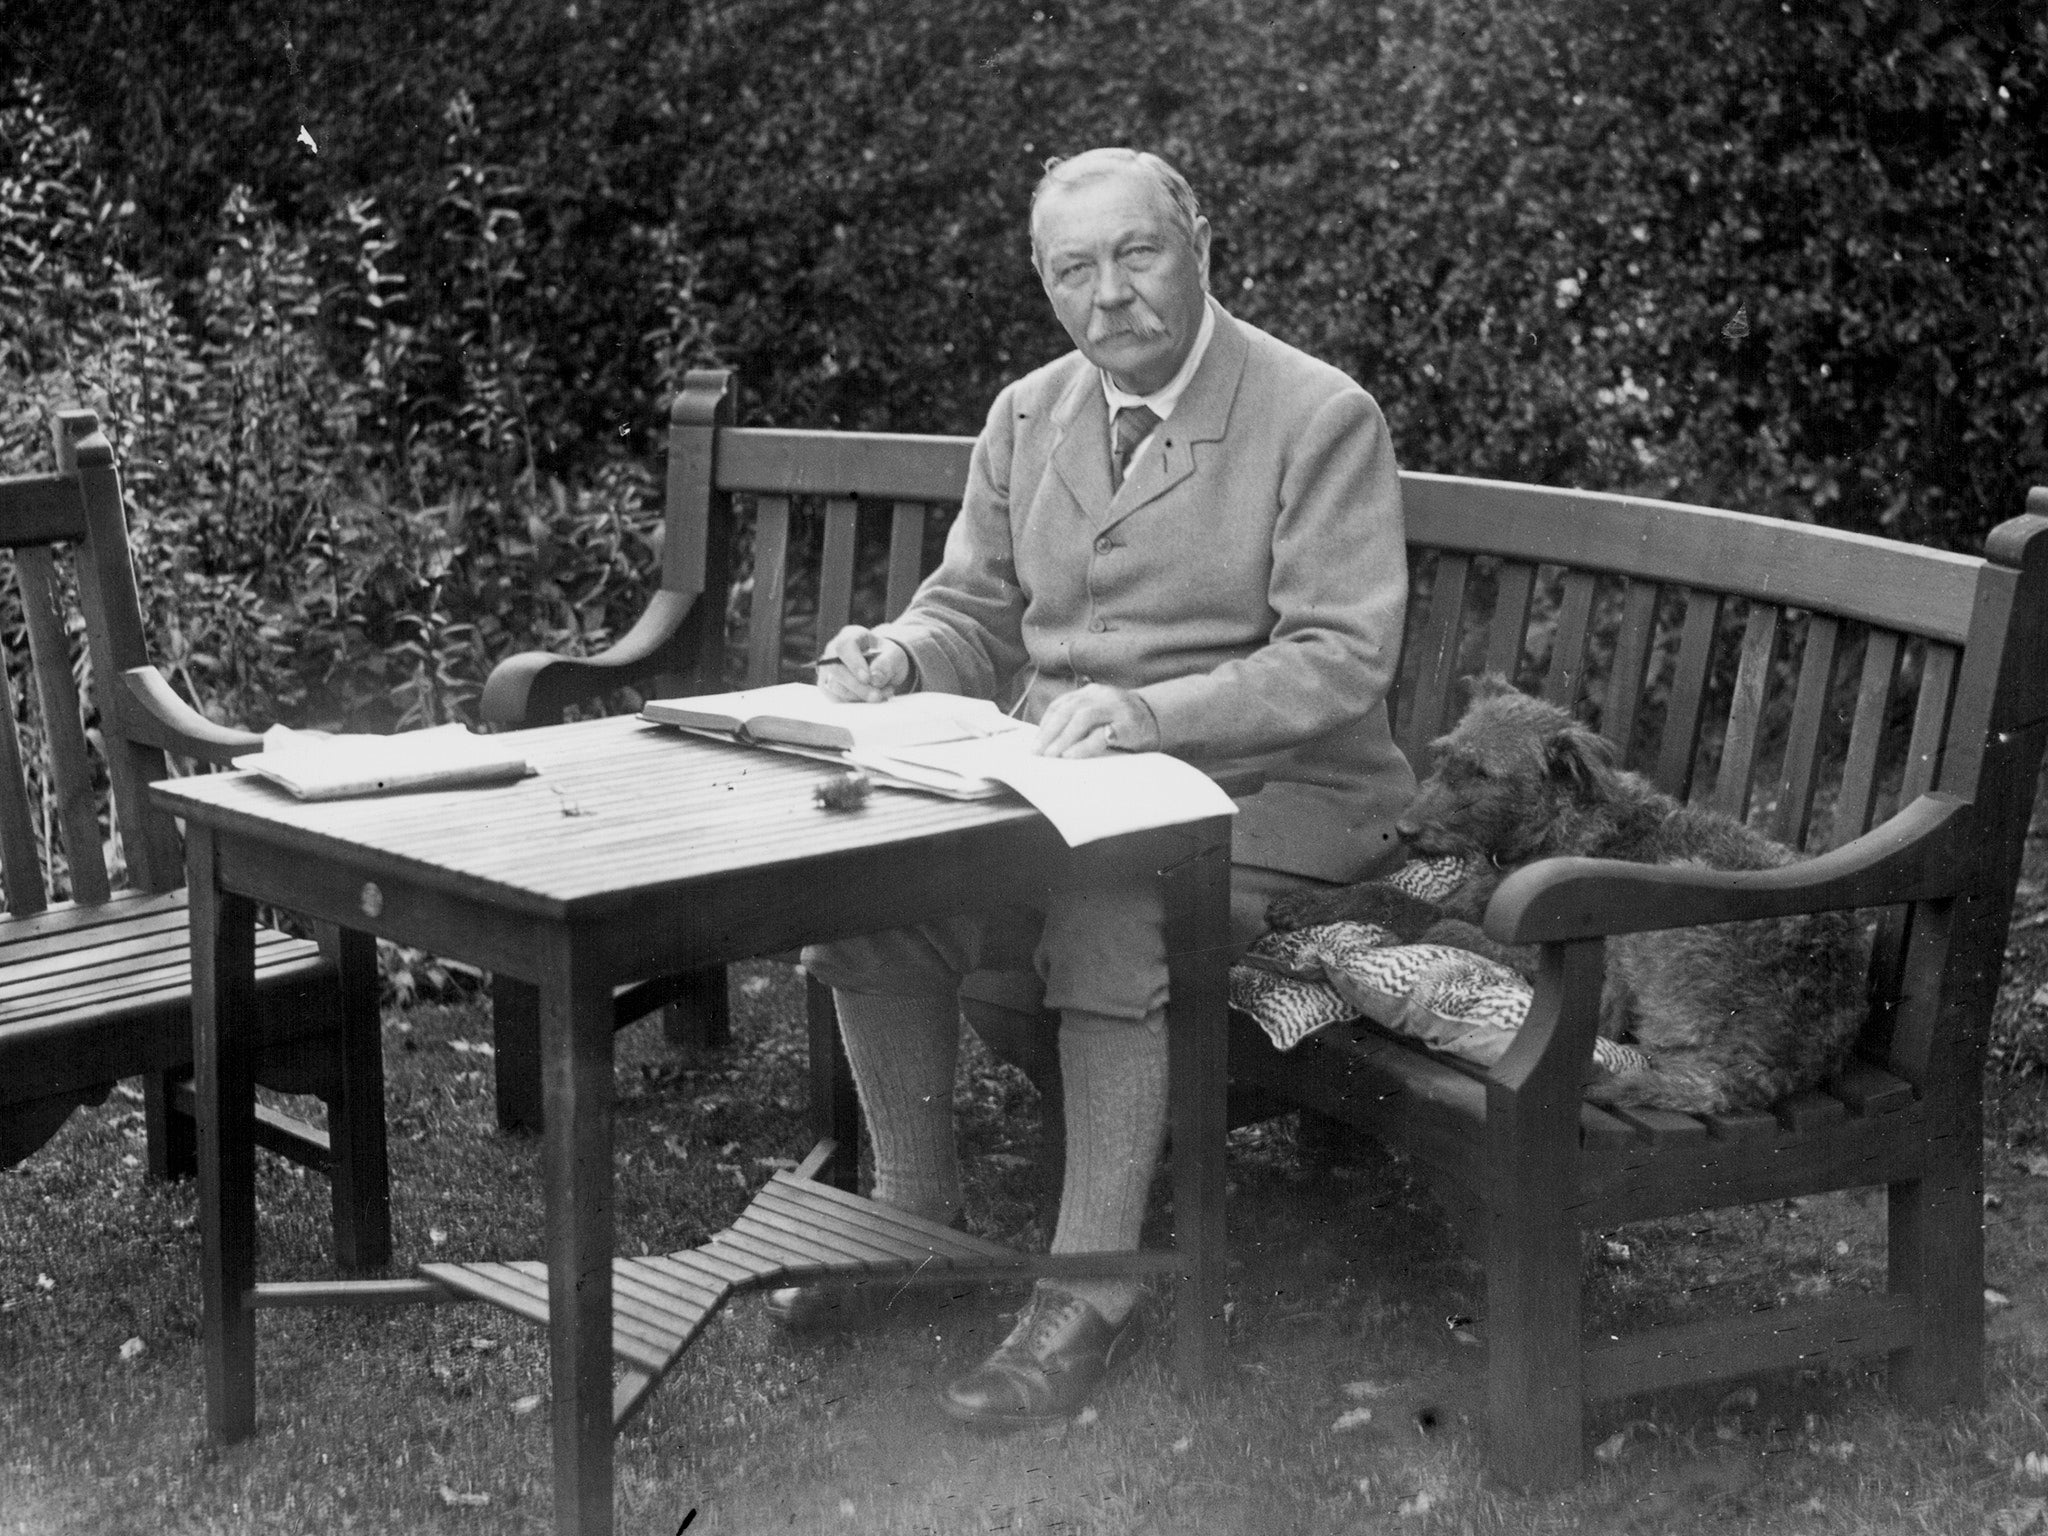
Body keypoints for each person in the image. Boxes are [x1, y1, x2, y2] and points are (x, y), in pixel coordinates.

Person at [781, 146, 1414, 1427]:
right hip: (1069, 789)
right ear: (1045, 284)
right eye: (1076, 269)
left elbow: (1339, 657)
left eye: (1137, 255)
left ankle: (1090, 1289)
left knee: (1112, 907)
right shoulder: (1030, 413)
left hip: (1278, 797)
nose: (1110, 294)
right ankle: (912, 1213)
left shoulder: (1315, 413)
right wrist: (900, 653)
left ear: (1196, 244)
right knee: (865, 894)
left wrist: (1149, 715)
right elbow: (973, 608)